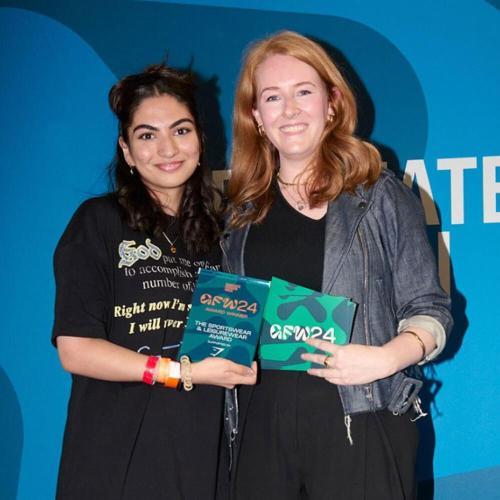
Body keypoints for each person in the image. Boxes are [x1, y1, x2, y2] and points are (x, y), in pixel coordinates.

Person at [222, 31, 453, 499]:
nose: (289, 110)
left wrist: (384, 358)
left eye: (303, 92)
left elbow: (433, 309)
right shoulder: (237, 214)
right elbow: (228, 320)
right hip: (259, 432)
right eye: (272, 97)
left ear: (331, 103)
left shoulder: (379, 194)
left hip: (362, 422)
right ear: (256, 117)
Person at [52, 64, 256, 499]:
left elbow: (232, 345)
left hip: (202, 459)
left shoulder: (221, 240)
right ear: (126, 151)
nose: (167, 148)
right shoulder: (99, 223)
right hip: (115, 461)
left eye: (181, 130)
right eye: (147, 135)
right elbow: (75, 349)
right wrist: (181, 371)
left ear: (201, 139)